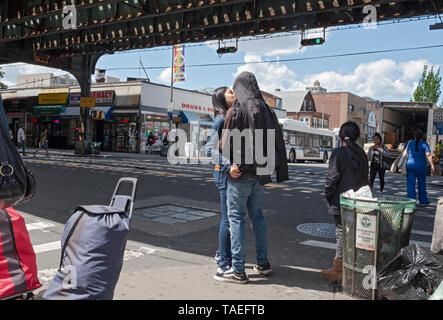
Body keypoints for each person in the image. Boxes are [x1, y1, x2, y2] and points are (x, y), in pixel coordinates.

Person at [217, 71, 288, 284]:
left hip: (240, 175)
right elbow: (277, 141)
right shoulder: (267, 109)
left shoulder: (236, 109)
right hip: (260, 175)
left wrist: (231, 165)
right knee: (257, 217)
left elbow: (224, 144)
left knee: (236, 219)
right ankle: (263, 263)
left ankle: (238, 270)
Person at [322, 122, 369, 282]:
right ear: (357, 137)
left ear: (340, 136)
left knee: (341, 232)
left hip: (340, 200)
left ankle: (339, 269)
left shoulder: (338, 153)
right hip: (359, 200)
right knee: (355, 233)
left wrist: (328, 195)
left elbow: (332, 178)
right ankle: (352, 267)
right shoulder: (362, 153)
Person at [205, 86, 237, 281]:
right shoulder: (220, 119)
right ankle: (223, 264)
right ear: (221, 99)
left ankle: (221, 253)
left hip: (228, 173)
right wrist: (228, 165)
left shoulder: (230, 117)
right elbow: (210, 150)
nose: (233, 92)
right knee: (227, 219)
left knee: (230, 218)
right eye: (228, 91)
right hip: (224, 174)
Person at [405, 129, 435, 206]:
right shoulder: (424, 144)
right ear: (422, 137)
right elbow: (428, 155)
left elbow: (404, 152)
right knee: (422, 183)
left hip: (410, 165)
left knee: (410, 184)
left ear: (414, 136)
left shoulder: (408, 143)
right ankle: (423, 201)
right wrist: (432, 165)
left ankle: (411, 201)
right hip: (421, 166)